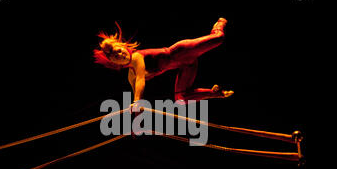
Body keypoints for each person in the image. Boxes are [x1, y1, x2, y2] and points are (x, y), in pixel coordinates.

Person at [93, 18, 233, 111]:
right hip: (185, 67)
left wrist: (137, 101)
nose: (121, 55)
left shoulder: (136, 57)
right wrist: (136, 123)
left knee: (219, 38)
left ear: (124, 47)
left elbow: (141, 80)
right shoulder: (131, 76)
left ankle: (218, 24)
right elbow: (137, 92)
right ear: (114, 63)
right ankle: (215, 93)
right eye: (116, 57)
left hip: (183, 51)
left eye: (119, 51)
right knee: (180, 100)